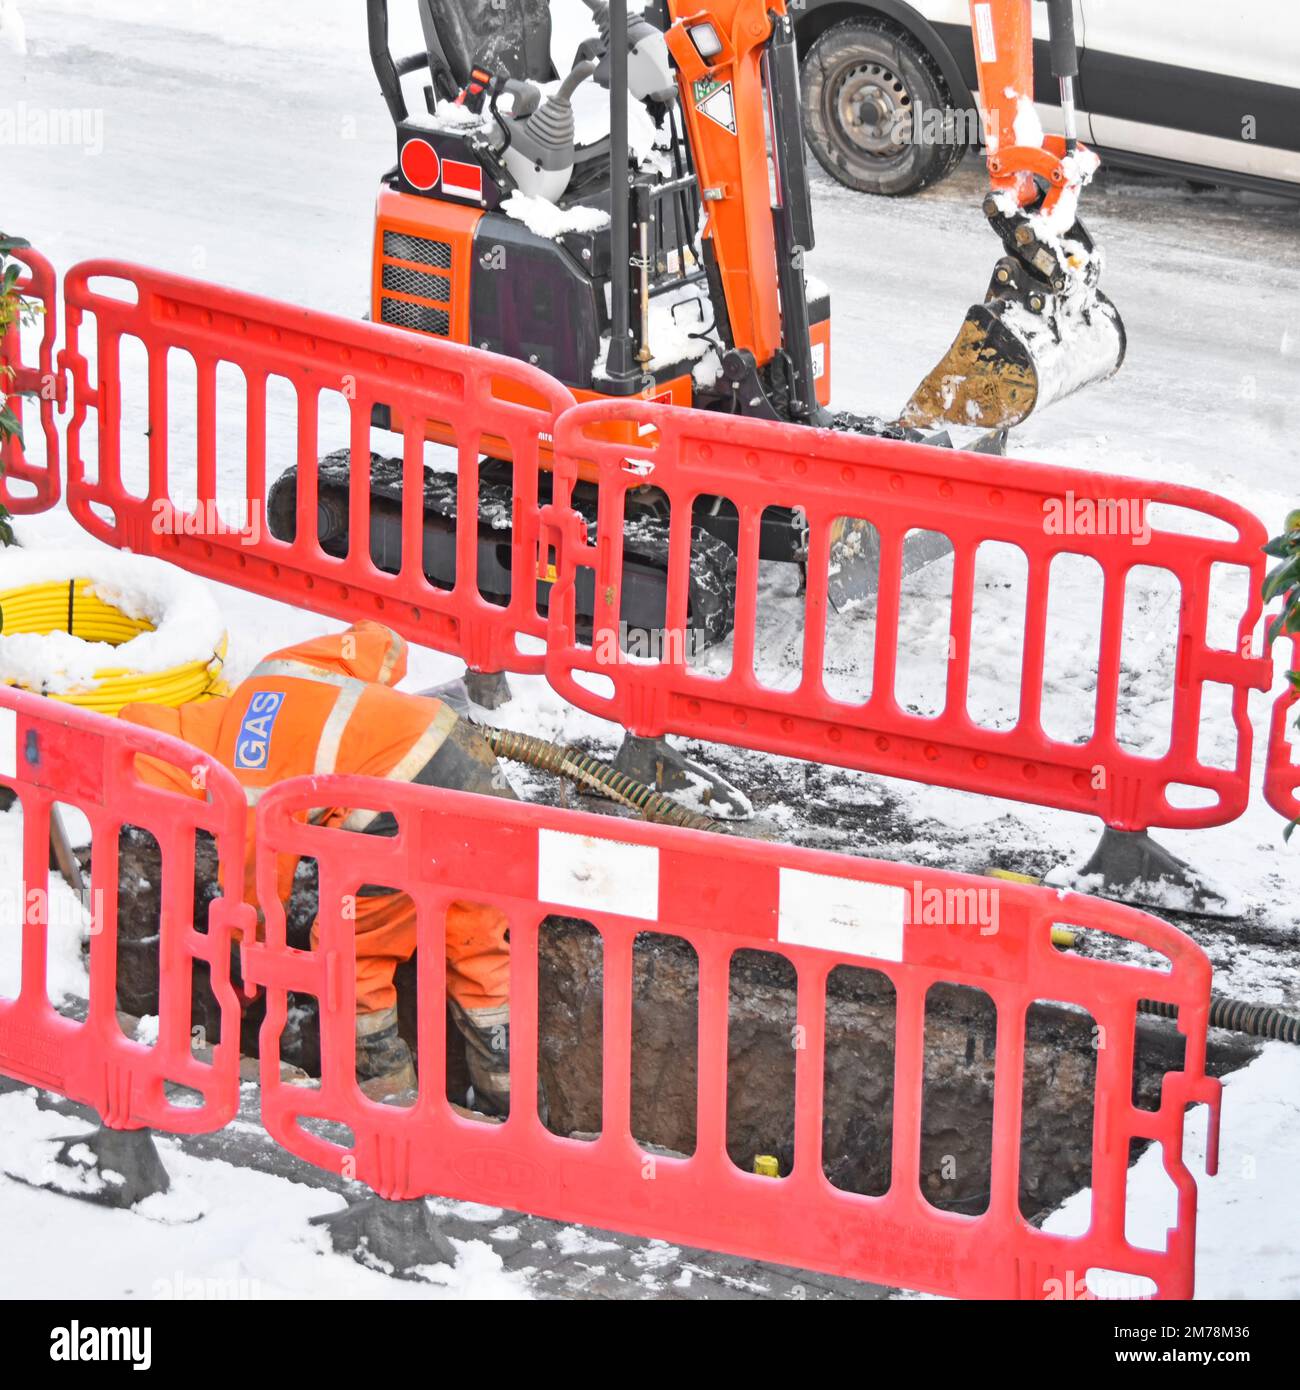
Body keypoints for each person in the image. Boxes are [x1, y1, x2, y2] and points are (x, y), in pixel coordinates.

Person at [120, 619, 515, 1108]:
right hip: (467, 760)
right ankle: (511, 1109)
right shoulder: (273, 671)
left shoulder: (242, 788)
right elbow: (382, 644)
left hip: (398, 810)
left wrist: (244, 970)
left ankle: (390, 1101)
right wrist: (375, 723)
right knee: (477, 941)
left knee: (349, 953)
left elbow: (254, 898)